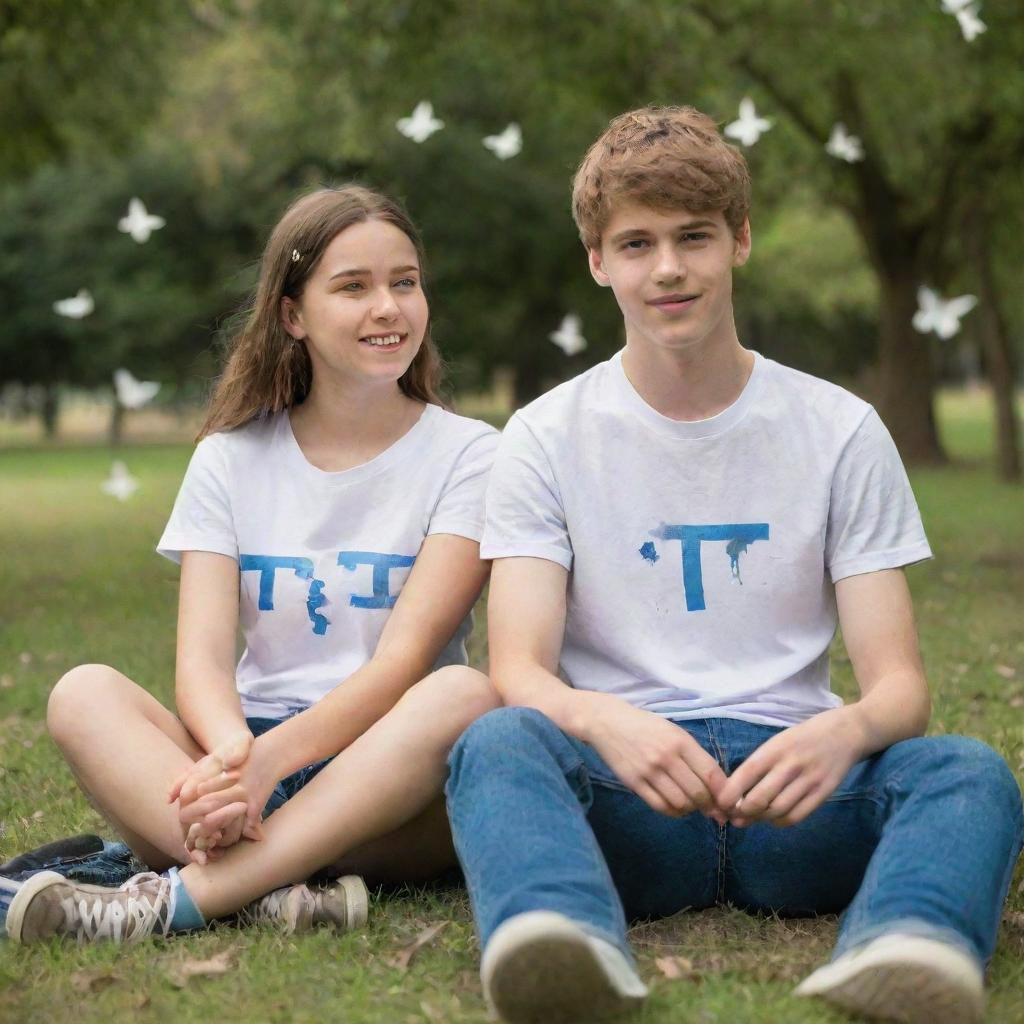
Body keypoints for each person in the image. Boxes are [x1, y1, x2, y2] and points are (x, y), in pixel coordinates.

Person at [444, 107, 1024, 1024]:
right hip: (626, 790)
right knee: (495, 742)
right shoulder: (543, 437)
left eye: (694, 238)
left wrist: (841, 735)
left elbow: (899, 688)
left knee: (968, 772)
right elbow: (516, 668)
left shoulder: (840, 430)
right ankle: (562, 942)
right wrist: (609, 723)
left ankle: (909, 945)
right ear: (598, 261)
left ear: (739, 241)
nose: (667, 268)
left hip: (796, 791)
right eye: (635, 244)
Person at [4, 184, 500, 944]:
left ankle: (179, 898)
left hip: (386, 779)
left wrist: (268, 766)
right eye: (354, 287)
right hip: (244, 760)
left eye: (405, 282)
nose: (389, 307)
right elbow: (200, 665)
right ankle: (270, 888)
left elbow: (404, 663)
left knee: (464, 694)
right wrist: (235, 759)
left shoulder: (469, 455)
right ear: (293, 315)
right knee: (81, 694)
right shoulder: (228, 459)